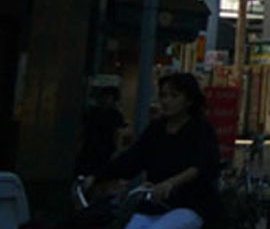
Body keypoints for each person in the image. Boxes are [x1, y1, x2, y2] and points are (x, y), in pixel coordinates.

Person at [86, 73, 222, 229]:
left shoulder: (200, 129)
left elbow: (201, 165)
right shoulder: (156, 130)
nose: (166, 101)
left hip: (190, 206)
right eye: (163, 95)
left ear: (189, 101)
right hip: (154, 206)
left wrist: (170, 183)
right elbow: (132, 158)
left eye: (174, 96)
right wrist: (97, 176)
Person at [76, 86, 127, 177]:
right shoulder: (92, 112)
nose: (105, 99)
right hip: (90, 147)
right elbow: (83, 130)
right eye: (103, 96)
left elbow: (118, 133)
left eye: (108, 97)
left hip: (106, 149)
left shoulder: (115, 115)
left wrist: (116, 150)